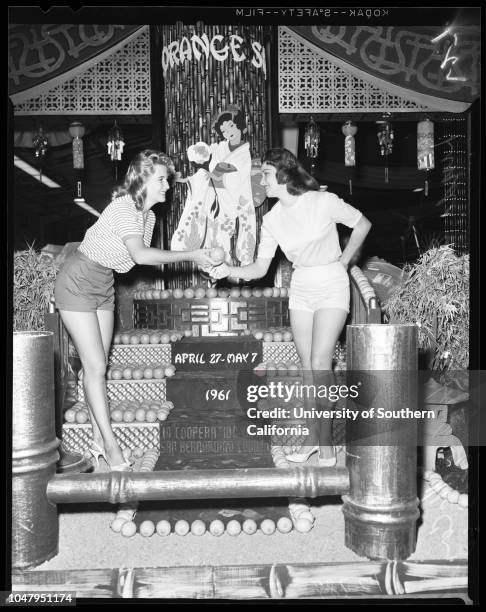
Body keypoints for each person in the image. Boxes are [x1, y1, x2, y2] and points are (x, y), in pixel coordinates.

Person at [208, 148, 371, 465]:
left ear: (283, 173)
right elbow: (258, 269)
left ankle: (326, 444)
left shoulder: (322, 201)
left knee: (320, 360)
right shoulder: (271, 219)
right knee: (307, 368)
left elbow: (362, 224)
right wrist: (227, 270)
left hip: (331, 283)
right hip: (301, 287)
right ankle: (313, 439)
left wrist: (345, 260)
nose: (261, 182)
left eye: (264, 175)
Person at [54, 150, 214, 470]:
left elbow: (126, 263)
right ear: (142, 180)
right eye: (160, 179)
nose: (167, 185)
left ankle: (98, 440)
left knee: (95, 367)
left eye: (167, 179)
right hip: (77, 280)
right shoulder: (124, 207)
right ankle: (112, 449)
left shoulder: (149, 217)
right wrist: (193, 255)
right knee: (96, 365)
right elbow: (140, 257)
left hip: (104, 283)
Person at [171, 106, 256, 268]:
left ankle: (246, 261)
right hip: (218, 193)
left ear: (239, 125)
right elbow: (203, 159)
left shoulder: (245, 151)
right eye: (224, 130)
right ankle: (221, 260)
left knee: (246, 221)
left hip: (239, 192)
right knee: (217, 227)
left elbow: (235, 169)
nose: (228, 132)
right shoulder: (218, 148)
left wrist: (219, 168)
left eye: (231, 125)